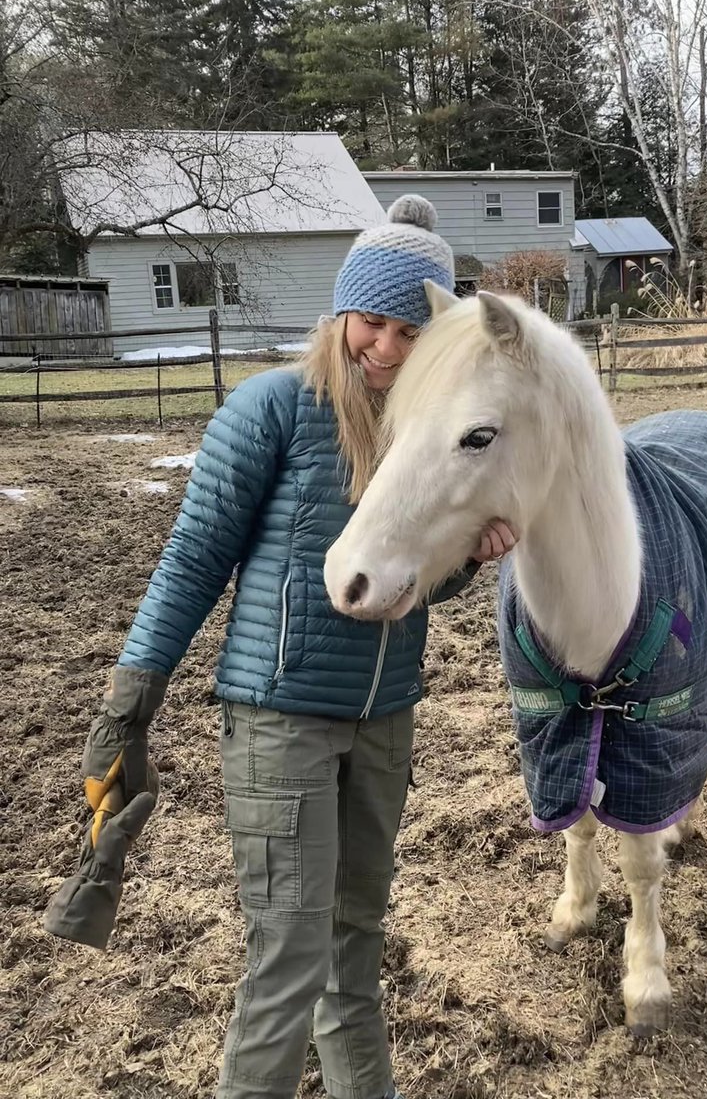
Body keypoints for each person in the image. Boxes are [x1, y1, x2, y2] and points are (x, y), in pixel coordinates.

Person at [46, 196, 517, 1099]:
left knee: (355, 956)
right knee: (289, 964)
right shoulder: (271, 409)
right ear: (343, 314)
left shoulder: (433, 437)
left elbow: (410, 584)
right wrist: (130, 700)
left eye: (411, 332)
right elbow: (190, 562)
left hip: (385, 720)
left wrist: (470, 562)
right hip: (278, 721)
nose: (386, 347)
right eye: (371, 323)